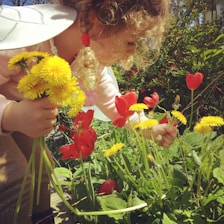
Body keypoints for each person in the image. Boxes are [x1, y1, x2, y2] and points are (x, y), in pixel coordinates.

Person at [0, 1, 177, 223]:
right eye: (131, 41)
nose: (133, 50)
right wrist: (10, 115)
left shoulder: (88, 59)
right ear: (95, 21)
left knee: (42, 169)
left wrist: (149, 128)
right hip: (8, 112)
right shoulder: (24, 41)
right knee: (14, 181)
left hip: (19, 113)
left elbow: (115, 105)